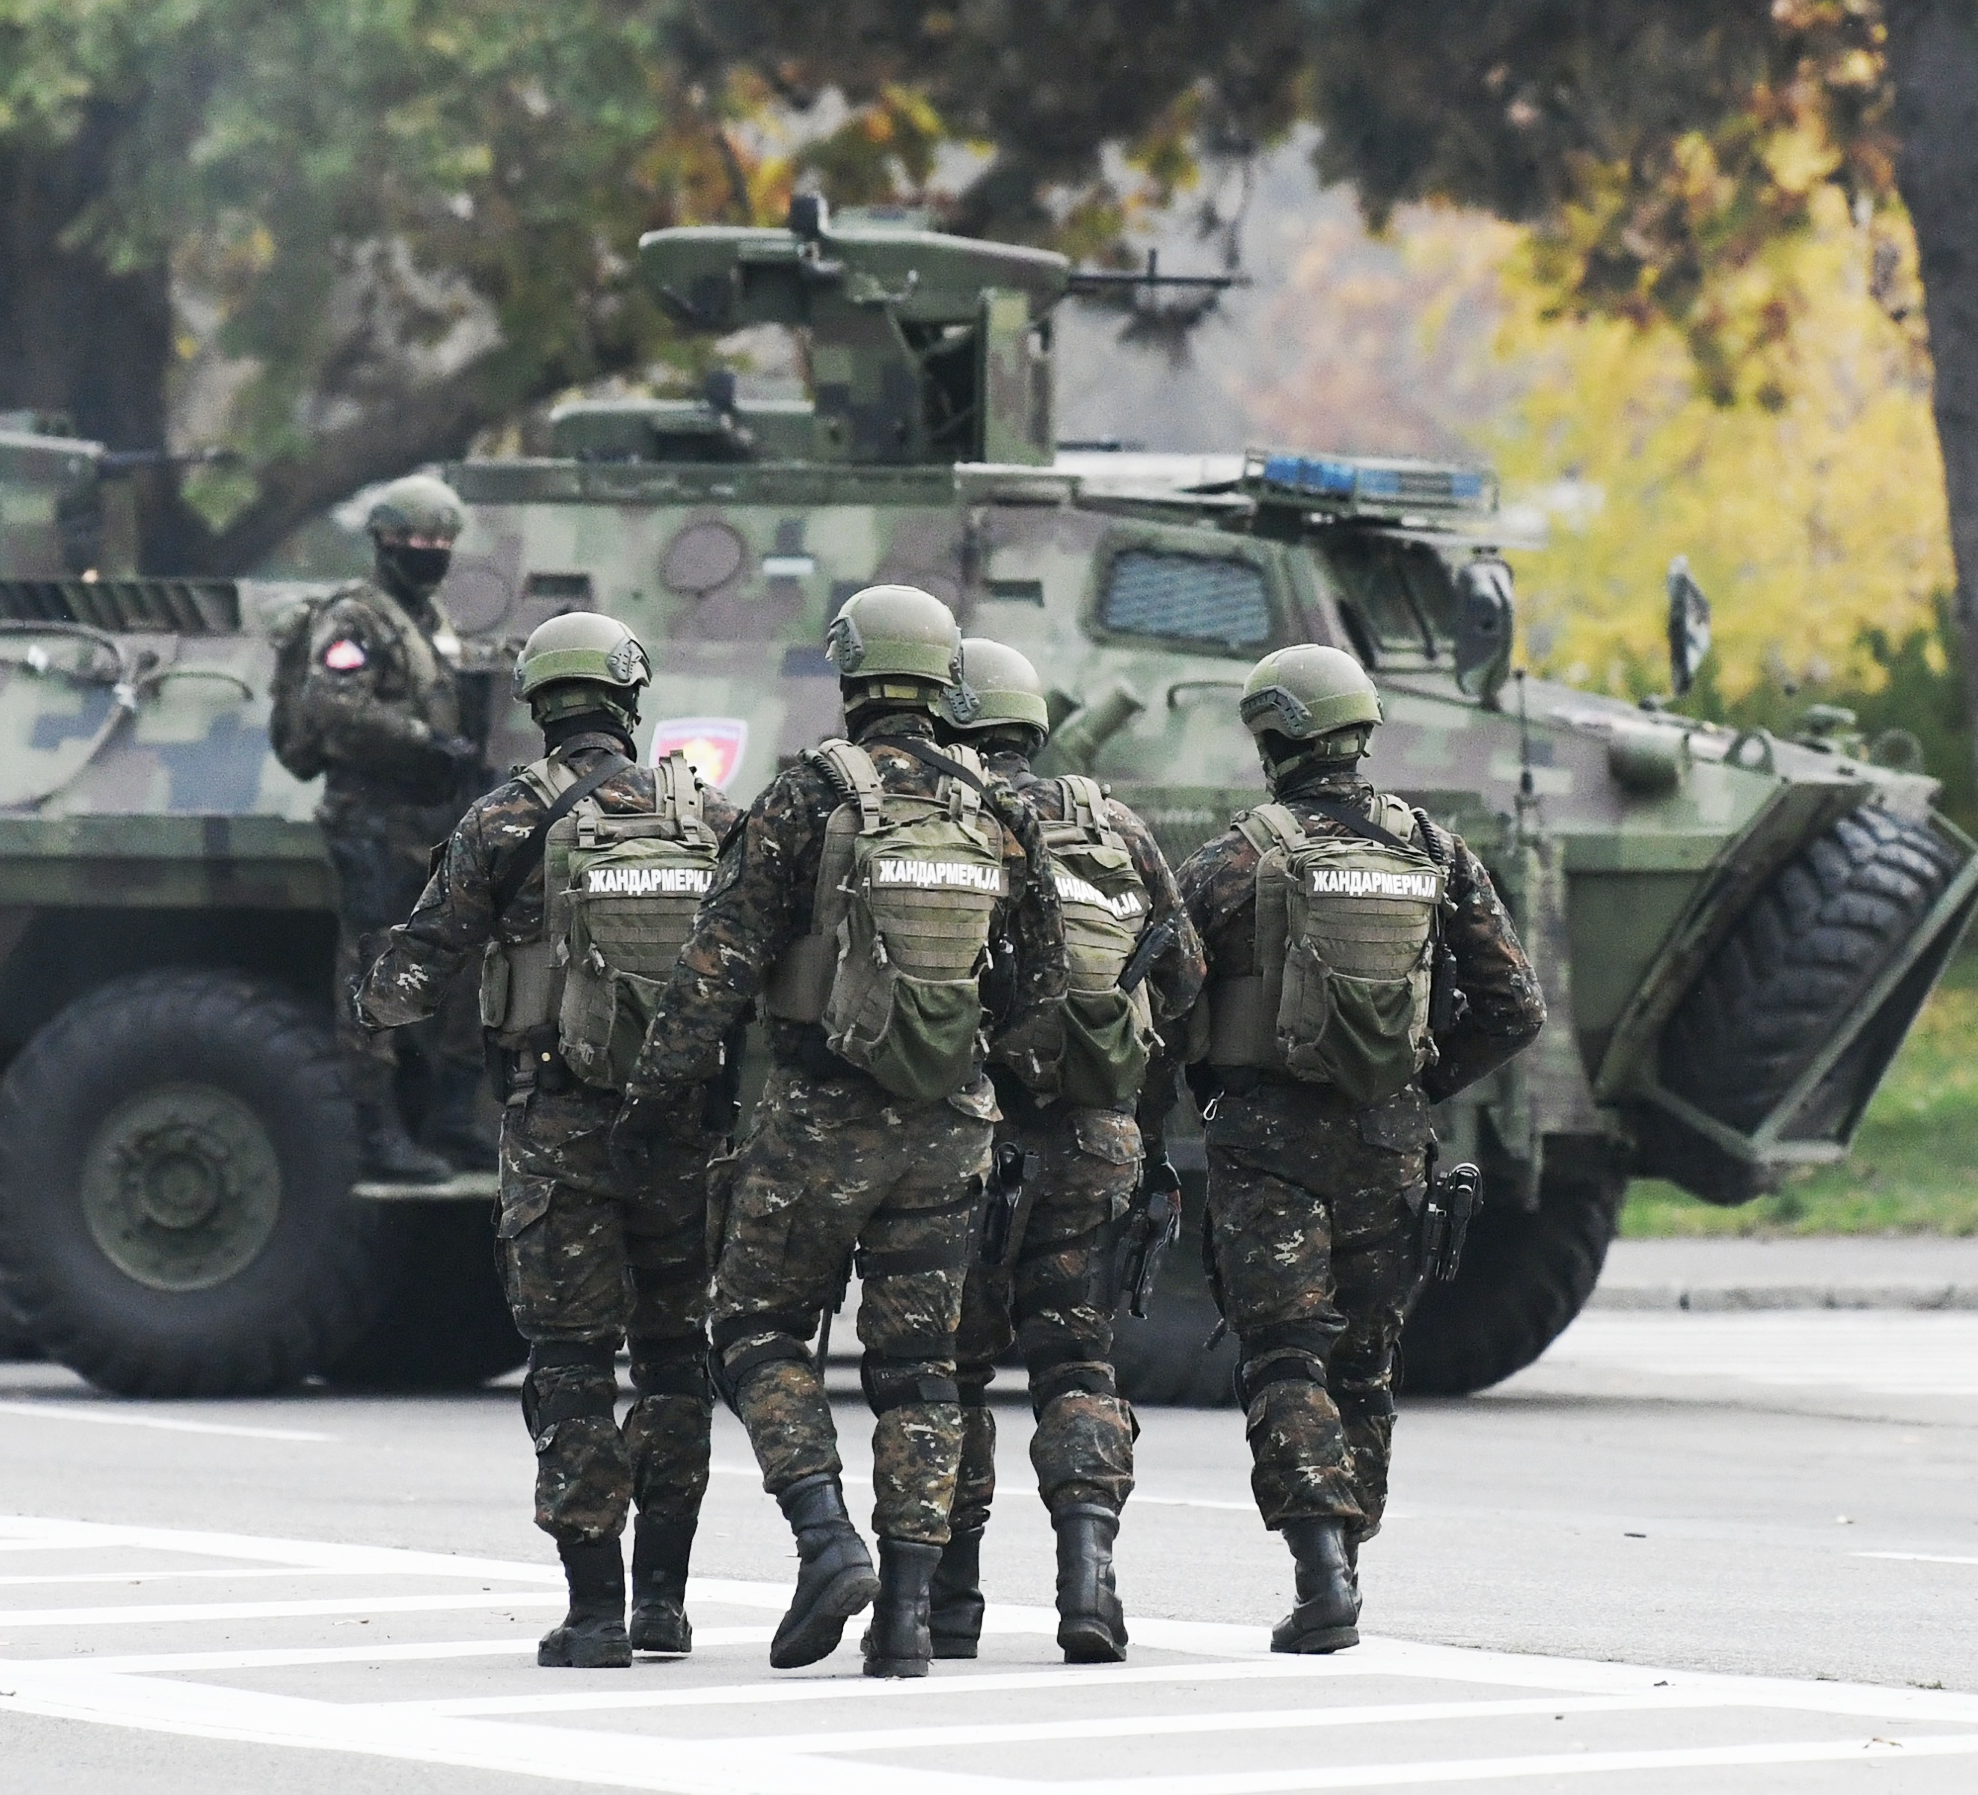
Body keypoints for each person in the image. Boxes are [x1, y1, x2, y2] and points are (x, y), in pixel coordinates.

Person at [633, 585, 1065, 1678]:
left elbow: (718, 962)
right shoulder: (995, 809)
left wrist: (659, 1097)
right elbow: (1044, 984)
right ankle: (909, 1621)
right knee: (922, 1368)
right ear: (943, 679)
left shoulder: (811, 794)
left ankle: (828, 1541)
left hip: (820, 1117)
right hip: (952, 1127)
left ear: (851, 676)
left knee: (755, 1328)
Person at [358, 611, 739, 1668]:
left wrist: (380, 1000)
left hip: (558, 1130)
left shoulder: (503, 820)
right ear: (629, 698)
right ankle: (664, 1600)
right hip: (685, 1134)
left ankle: (596, 1612)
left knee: (571, 1364)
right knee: (674, 1359)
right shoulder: (706, 814)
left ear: (539, 705)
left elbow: (409, 980)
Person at [1173, 643, 1545, 1653]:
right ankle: (1349, 1565)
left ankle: (1319, 1572)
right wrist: (1423, 1079)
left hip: (1266, 1143)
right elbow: (1515, 1007)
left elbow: (1160, 997)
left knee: (1285, 1354)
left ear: (1272, 737)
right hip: (1391, 1142)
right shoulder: (1433, 851)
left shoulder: (1233, 857)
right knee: (1367, 1364)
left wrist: (1197, 1076)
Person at [937, 638, 1205, 1664]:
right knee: (1076, 1356)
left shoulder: (943, 819)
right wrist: (1140, 1107)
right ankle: (1090, 1581)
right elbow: (1179, 978)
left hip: (972, 1131)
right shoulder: (1114, 826)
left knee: (951, 1370)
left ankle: (948, 1602)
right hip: (1098, 1134)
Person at [275, 475, 485, 1183]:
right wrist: (423, 740)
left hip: (431, 818)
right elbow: (334, 704)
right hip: (372, 816)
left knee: (461, 969)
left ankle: (453, 1120)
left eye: (440, 541)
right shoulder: (356, 617)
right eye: (416, 540)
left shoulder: (427, 618)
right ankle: (374, 1130)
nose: (430, 552)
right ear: (385, 541)